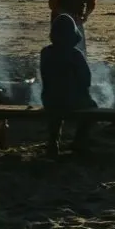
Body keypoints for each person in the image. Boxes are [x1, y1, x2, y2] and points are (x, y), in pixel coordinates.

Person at [40, 14, 97, 157]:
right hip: (71, 101)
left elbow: (45, 77)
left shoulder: (46, 52)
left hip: (49, 100)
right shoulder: (75, 54)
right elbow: (86, 80)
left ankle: (53, 141)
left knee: (55, 109)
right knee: (93, 108)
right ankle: (79, 140)